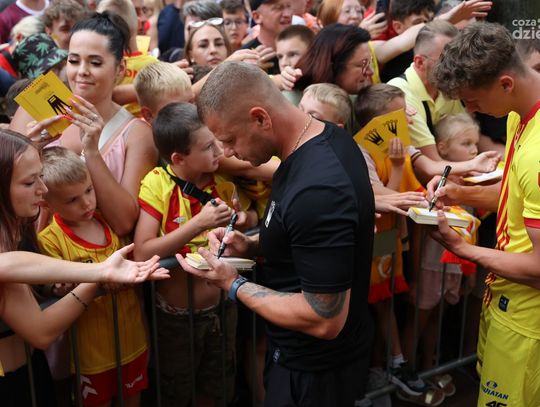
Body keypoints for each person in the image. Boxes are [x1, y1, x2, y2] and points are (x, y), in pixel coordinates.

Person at [178, 61, 375, 407]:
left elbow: (324, 317)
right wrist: (251, 245)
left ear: (260, 118)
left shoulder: (317, 188)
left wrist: (232, 283)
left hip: (314, 375)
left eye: (229, 140)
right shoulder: (317, 142)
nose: (227, 153)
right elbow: (303, 239)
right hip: (305, 361)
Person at [0, 129, 167, 406]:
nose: (42, 190)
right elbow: (40, 330)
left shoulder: (17, 225)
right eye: (30, 182)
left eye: (40, 176)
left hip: (32, 370)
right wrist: (98, 276)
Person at [427, 22, 540, 407]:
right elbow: (514, 197)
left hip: (527, 321)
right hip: (508, 305)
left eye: (472, 101)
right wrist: (459, 192)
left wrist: (462, 248)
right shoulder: (519, 112)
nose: (469, 110)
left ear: (506, 83)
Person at [134, 102, 255, 407]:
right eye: (208, 147)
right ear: (179, 158)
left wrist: (243, 220)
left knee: (218, 390)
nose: (219, 151)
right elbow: (142, 251)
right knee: (177, 393)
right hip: (177, 320)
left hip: (222, 309)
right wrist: (198, 224)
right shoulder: (157, 183)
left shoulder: (221, 178)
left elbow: (250, 215)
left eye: (217, 141)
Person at [11, 12, 159, 237]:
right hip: (28, 250)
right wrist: (29, 150)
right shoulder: (34, 108)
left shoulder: (137, 134)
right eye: (73, 60)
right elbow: (5, 194)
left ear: (120, 69)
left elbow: (124, 224)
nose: (82, 71)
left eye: (95, 63)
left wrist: (92, 154)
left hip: (97, 256)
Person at [38, 147, 149, 407]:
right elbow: (55, 287)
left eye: (89, 190)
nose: (87, 203)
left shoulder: (111, 221)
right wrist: (60, 288)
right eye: (72, 200)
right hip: (89, 355)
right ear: (46, 203)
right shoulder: (50, 241)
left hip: (133, 341)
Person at [387, 20, 464, 161]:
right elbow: (433, 162)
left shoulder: (445, 86)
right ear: (420, 62)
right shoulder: (398, 94)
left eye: (458, 59)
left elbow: (468, 136)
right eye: (446, 61)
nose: (456, 68)